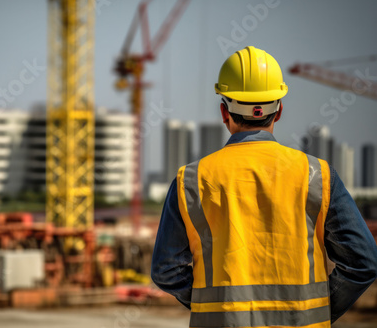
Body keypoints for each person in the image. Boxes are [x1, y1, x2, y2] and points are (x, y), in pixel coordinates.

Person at [151, 46, 377, 327]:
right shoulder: (317, 176)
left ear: (224, 112)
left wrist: (212, 309)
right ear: (279, 111)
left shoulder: (192, 181)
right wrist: (319, 312)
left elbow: (165, 270)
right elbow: (363, 262)